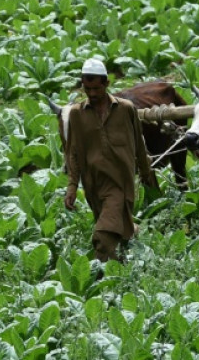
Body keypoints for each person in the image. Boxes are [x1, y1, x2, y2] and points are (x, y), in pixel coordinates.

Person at [63, 58, 158, 262]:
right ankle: (120, 272)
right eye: (87, 89)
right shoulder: (77, 114)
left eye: (96, 88)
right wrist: (72, 186)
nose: (92, 94)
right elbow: (73, 152)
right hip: (94, 185)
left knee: (103, 235)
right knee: (116, 232)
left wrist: (146, 171)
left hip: (120, 184)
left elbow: (139, 144)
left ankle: (97, 276)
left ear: (106, 83)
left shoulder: (125, 109)